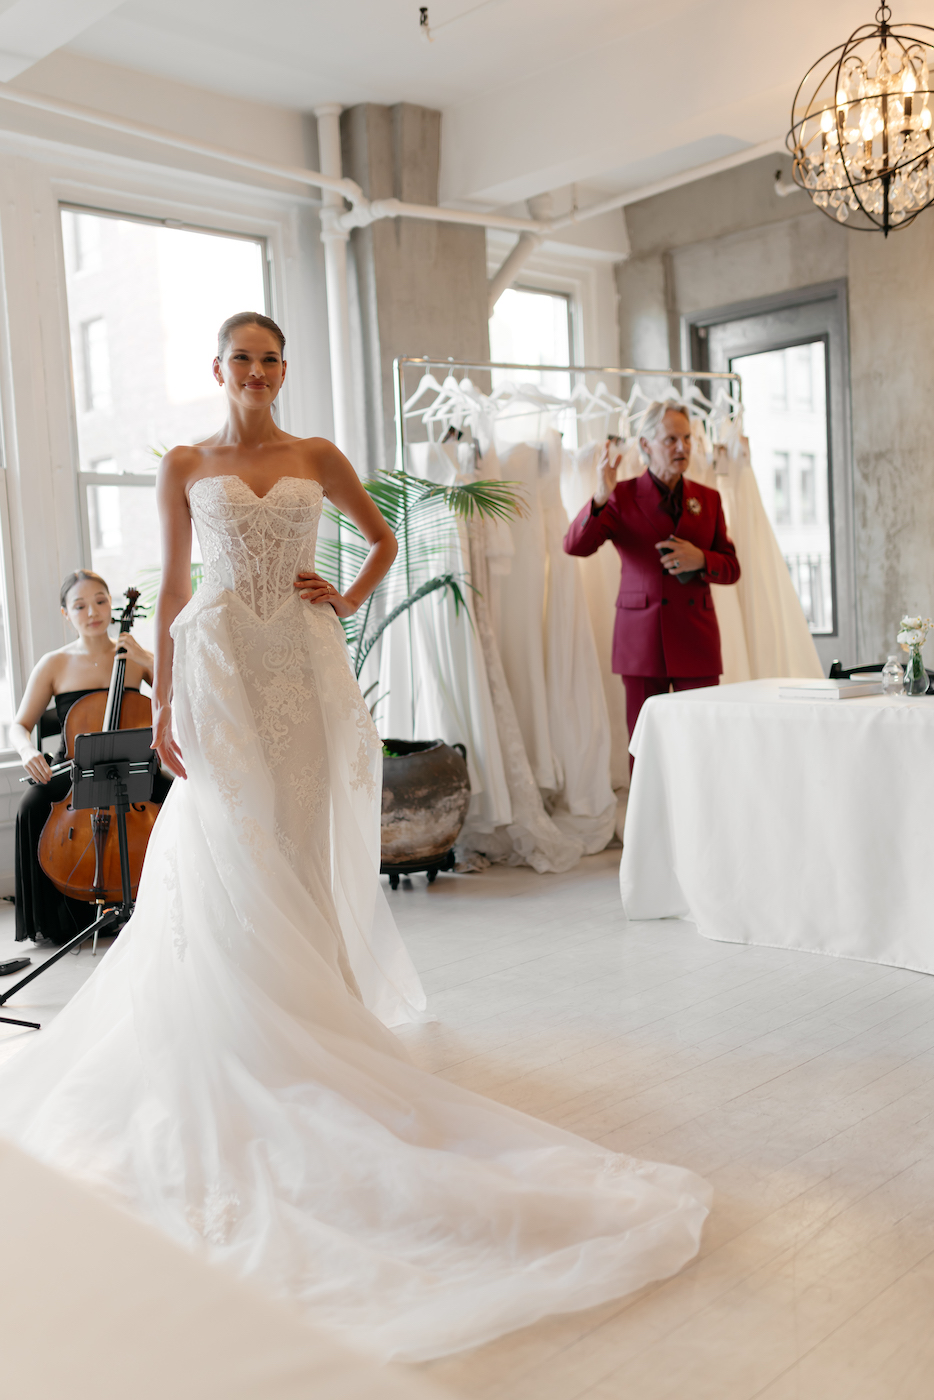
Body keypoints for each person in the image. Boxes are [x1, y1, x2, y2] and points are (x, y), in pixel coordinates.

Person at [0, 314, 710, 1362]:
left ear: (284, 369)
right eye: (240, 357)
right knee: (227, 840)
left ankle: (312, 1010)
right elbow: (177, 577)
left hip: (299, 659)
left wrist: (350, 594)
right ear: (217, 370)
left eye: (271, 357)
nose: (255, 371)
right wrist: (160, 702)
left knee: (291, 836)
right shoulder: (189, 461)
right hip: (221, 668)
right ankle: (244, 1016)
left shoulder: (315, 454)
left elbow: (379, 540)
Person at [563, 401, 740, 753]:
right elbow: (575, 546)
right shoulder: (619, 496)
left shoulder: (709, 499)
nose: (683, 447)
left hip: (697, 637)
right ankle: (650, 811)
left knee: (703, 742)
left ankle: (700, 810)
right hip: (642, 640)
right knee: (646, 747)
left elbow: (732, 567)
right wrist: (600, 495)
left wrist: (700, 558)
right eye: (671, 439)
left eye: (687, 438)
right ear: (645, 445)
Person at [10, 571, 163, 945]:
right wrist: (28, 750)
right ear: (66, 613)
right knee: (31, 804)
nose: (92, 611)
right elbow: (18, 725)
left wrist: (148, 659)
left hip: (134, 764)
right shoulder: (54, 663)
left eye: (100, 600)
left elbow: (178, 702)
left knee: (179, 798)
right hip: (78, 767)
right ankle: (57, 917)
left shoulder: (137, 657)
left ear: (111, 605)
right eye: (80, 605)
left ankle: (164, 900)